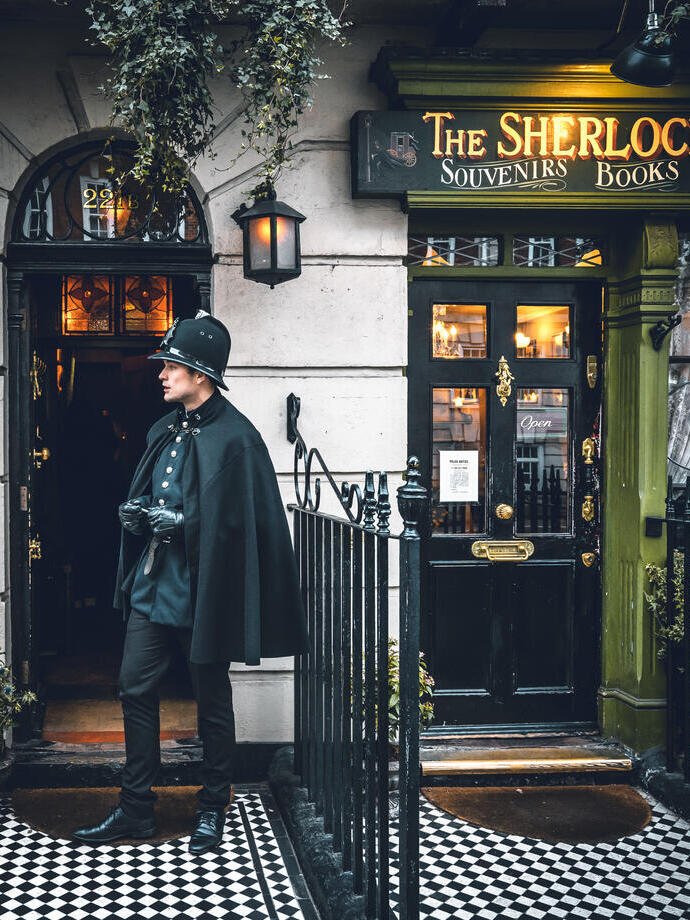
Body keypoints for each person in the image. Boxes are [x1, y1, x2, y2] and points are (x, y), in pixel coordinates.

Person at [72, 309, 309, 853]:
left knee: (211, 700)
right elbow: (156, 491)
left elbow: (244, 525)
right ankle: (136, 808)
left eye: (170, 366)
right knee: (134, 686)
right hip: (155, 585)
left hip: (206, 589)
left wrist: (184, 522)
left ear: (199, 374)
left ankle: (212, 806)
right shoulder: (164, 429)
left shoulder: (237, 438)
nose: (161, 374)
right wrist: (138, 514)